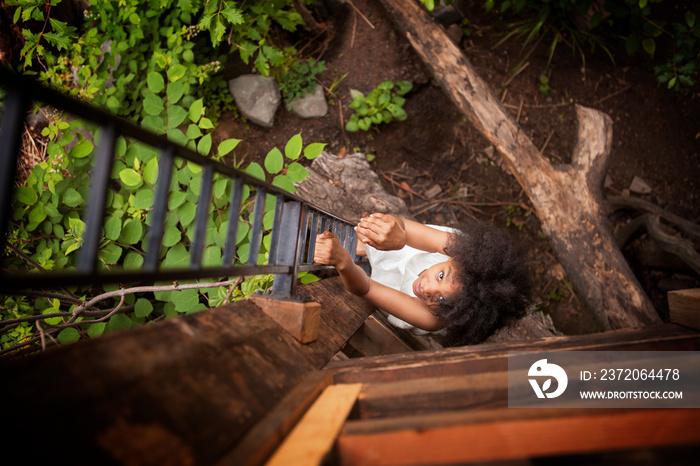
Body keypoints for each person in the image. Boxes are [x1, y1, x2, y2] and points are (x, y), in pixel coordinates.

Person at [313, 213, 530, 346]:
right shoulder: (459, 248)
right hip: (406, 255)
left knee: (363, 275)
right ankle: (368, 250)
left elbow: (367, 289)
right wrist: (398, 235)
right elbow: (404, 227)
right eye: (441, 276)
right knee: (382, 246)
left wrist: (342, 262)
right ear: (456, 258)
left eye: (442, 301)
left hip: (394, 291)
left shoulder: (431, 318)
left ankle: (359, 260)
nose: (427, 288)